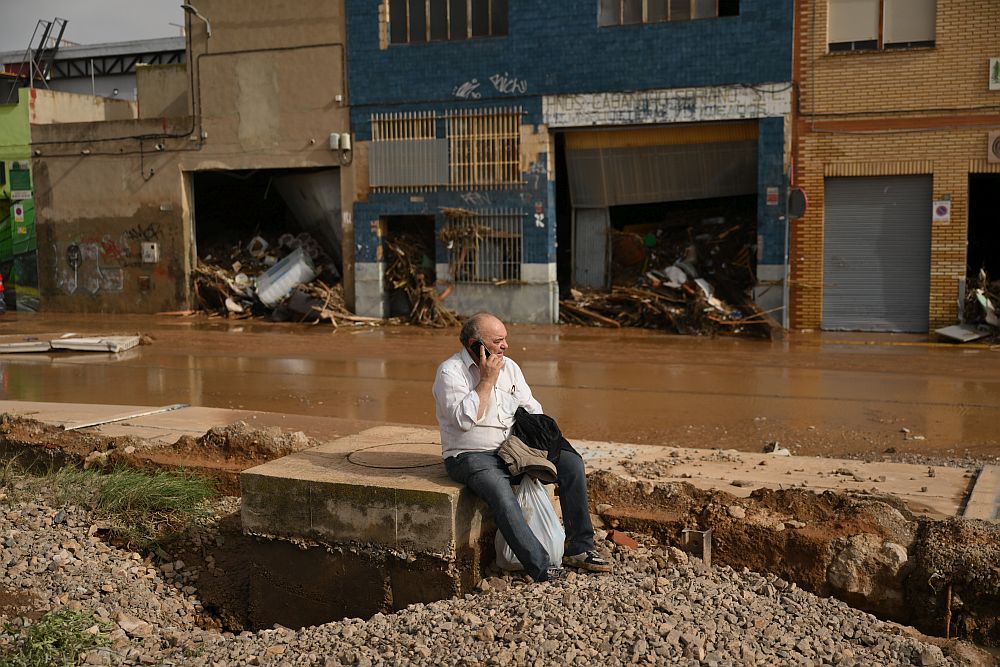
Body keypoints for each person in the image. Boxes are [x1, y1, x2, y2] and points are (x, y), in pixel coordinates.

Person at [432, 311, 612, 583]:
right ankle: (541, 567)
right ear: (474, 345)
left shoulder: (511, 367)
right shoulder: (450, 372)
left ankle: (580, 548)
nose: (505, 346)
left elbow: (532, 408)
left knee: (571, 464)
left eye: (505, 339)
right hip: (470, 455)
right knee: (500, 491)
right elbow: (463, 421)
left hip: (514, 447)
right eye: (498, 341)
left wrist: (536, 445)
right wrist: (486, 381)